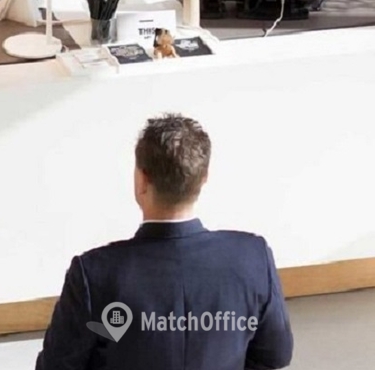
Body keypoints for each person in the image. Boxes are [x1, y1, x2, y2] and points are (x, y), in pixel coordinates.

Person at [36, 113, 294, 370]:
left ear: (142, 181)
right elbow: (275, 356)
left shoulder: (93, 274)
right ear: (203, 178)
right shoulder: (252, 257)